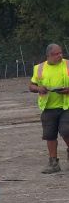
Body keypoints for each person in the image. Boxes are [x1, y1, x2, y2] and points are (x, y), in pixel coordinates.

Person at [29, 43, 69, 173]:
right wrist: (38, 88)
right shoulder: (39, 68)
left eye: (60, 53)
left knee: (66, 130)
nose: (60, 56)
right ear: (49, 56)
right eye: (56, 54)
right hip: (48, 107)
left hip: (66, 106)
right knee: (49, 135)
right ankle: (53, 163)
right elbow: (31, 85)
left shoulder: (67, 64)